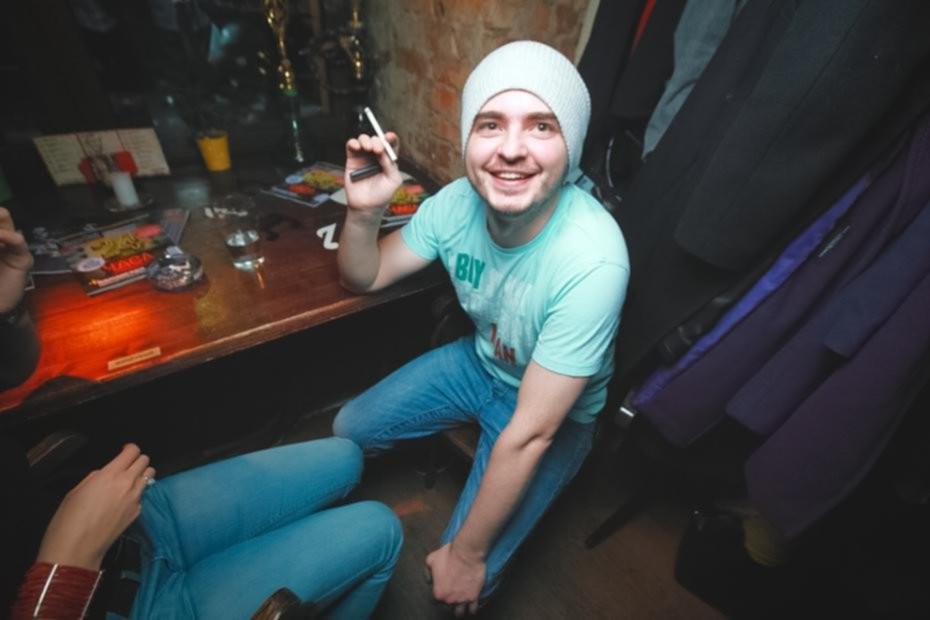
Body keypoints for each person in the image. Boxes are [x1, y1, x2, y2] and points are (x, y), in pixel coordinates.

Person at [333, 40, 630, 613]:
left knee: (463, 586)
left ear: (571, 147)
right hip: (479, 362)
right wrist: (364, 213)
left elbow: (533, 432)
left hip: (554, 414)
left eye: (541, 126)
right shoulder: (453, 204)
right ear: (468, 139)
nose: (511, 150)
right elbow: (363, 277)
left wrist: (467, 557)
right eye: (490, 124)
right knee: (348, 430)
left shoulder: (593, 259)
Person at [1, 206, 403, 619]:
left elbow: (12, 373)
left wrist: (8, 308)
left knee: (345, 455)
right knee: (380, 527)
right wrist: (66, 563)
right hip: (129, 601)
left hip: (130, 532)